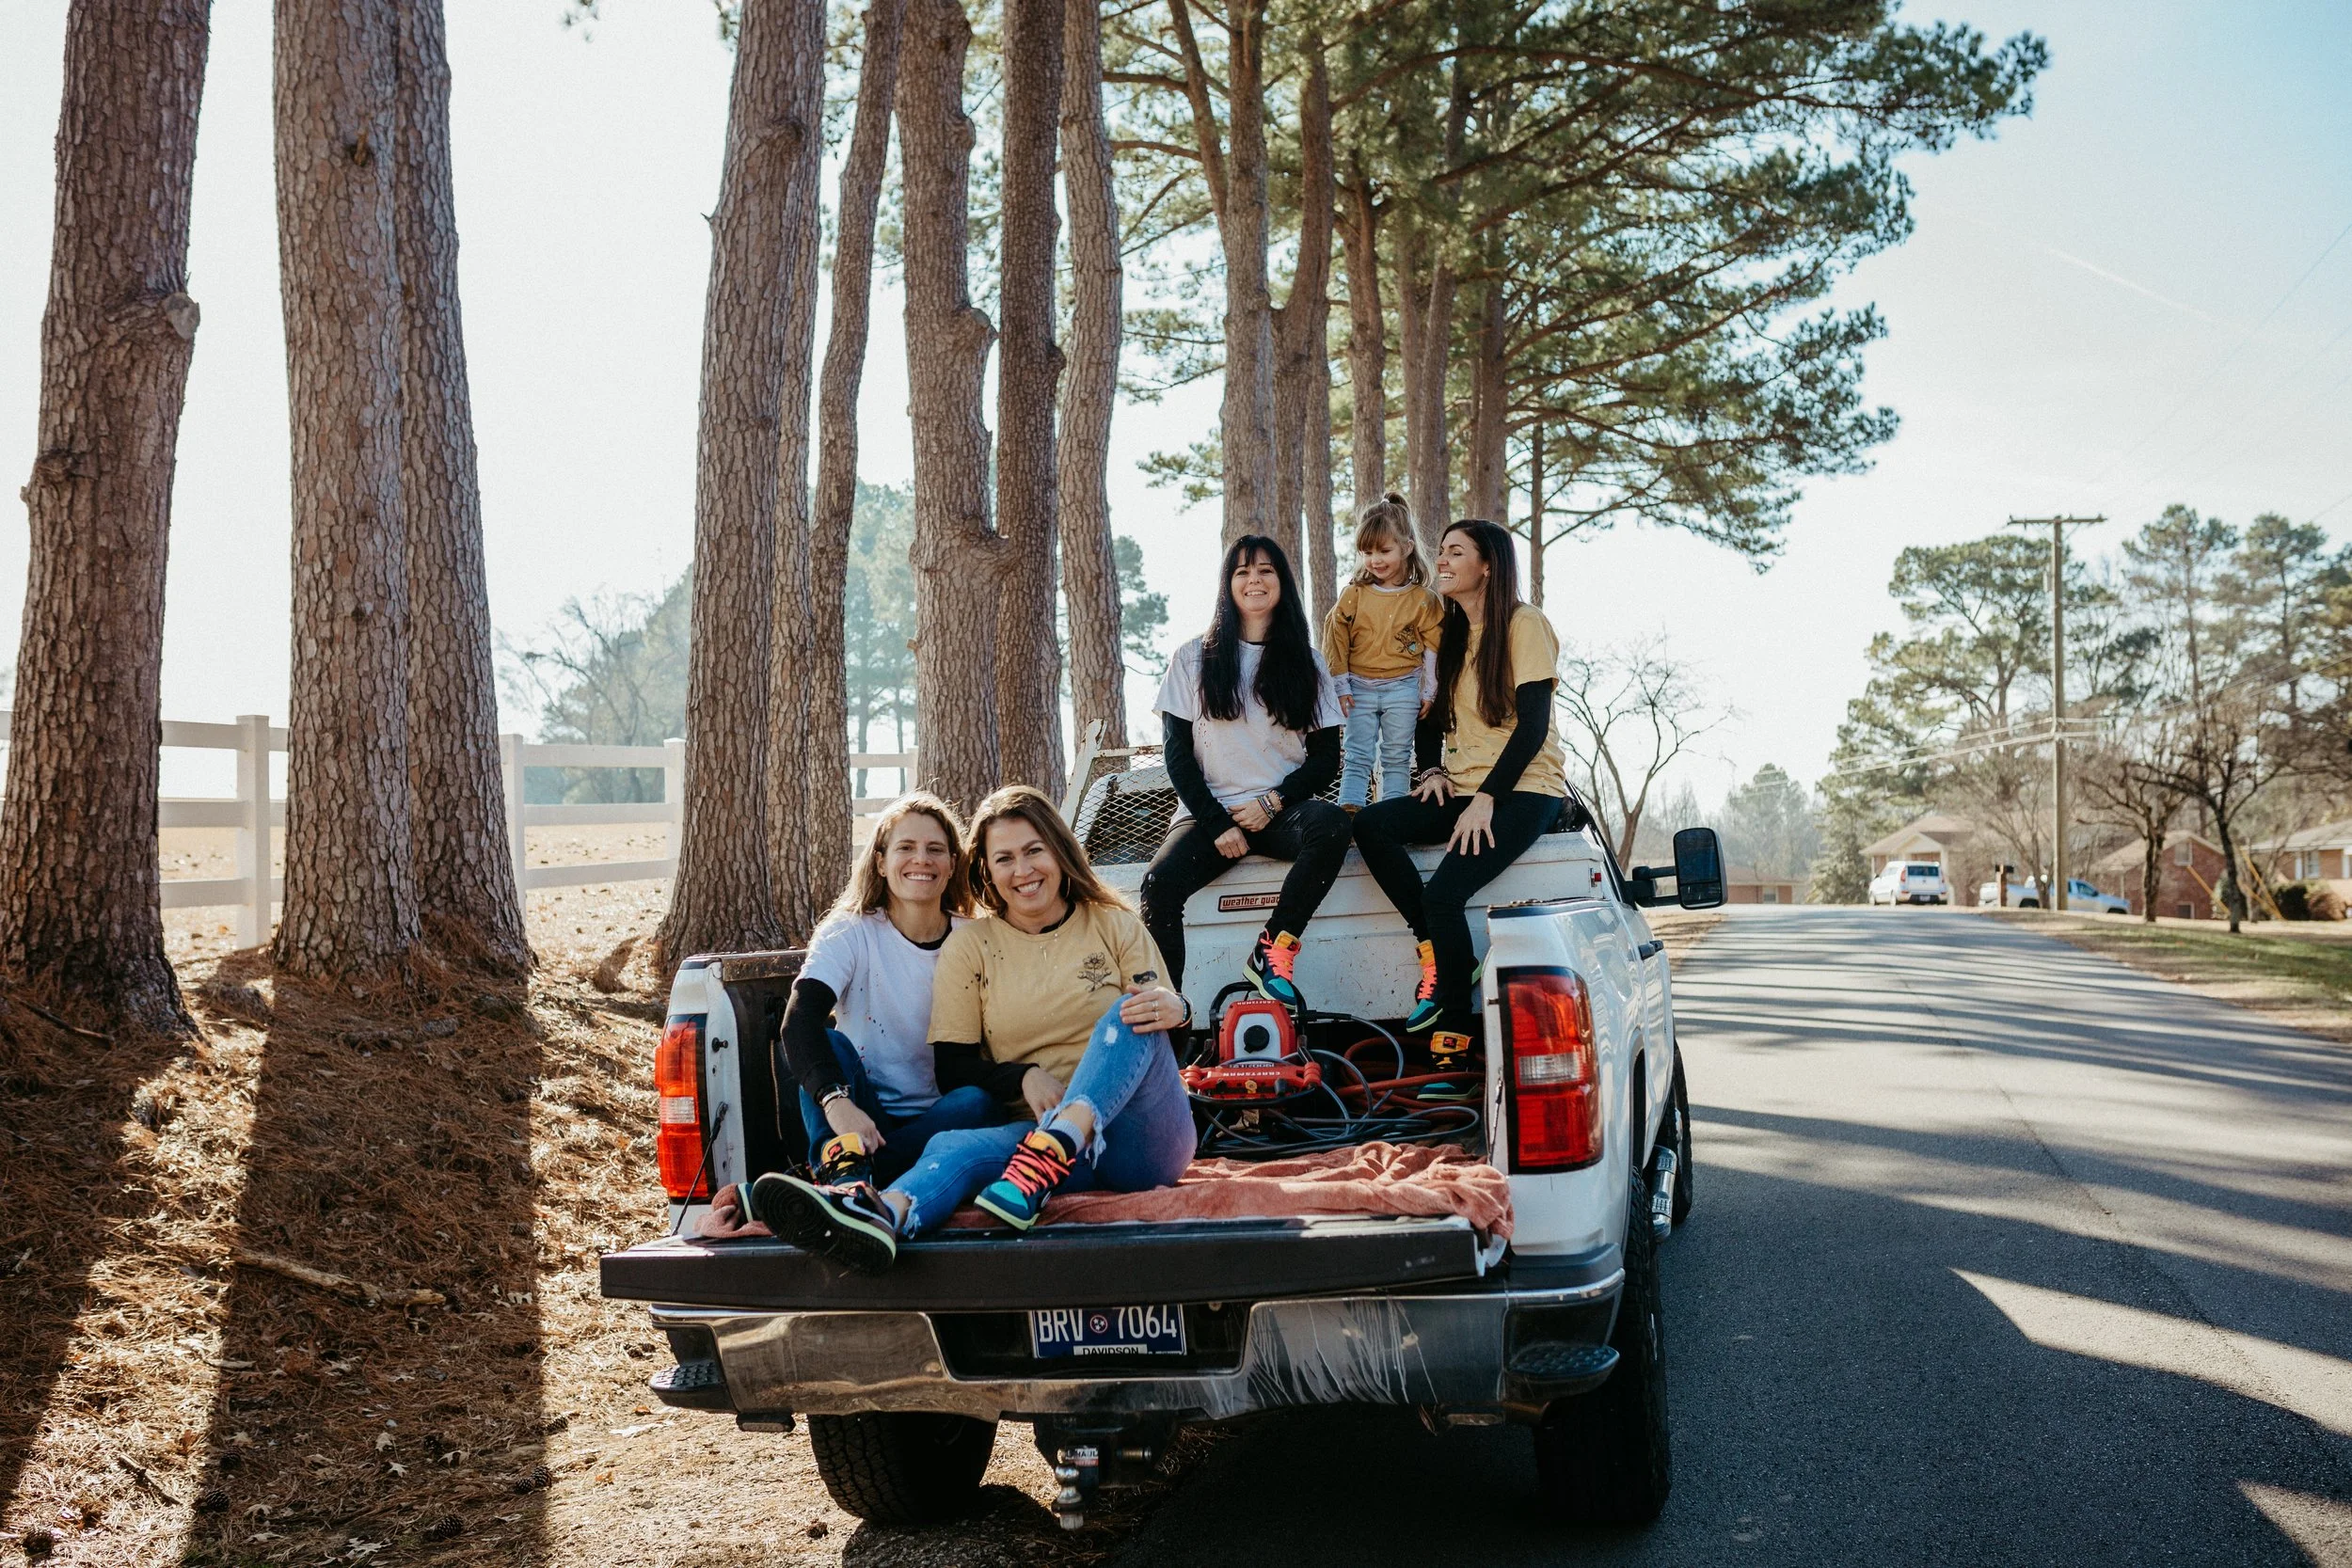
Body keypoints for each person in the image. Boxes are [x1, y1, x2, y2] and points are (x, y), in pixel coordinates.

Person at [749, 786, 1198, 1273]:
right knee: (953, 1146)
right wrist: (1022, 1076)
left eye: (1033, 851)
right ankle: (872, 1215)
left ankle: (1060, 1141)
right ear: (986, 870)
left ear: (1059, 851)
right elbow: (951, 1065)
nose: (1022, 871)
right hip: (1035, 1152)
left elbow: (1160, 1038)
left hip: (1140, 1135)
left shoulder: (1114, 924)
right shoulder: (971, 946)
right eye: (1004, 858)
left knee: (1131, 1014)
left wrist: (1181, 1009)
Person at [1352, 518, 1572, 1066]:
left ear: (1488, 565)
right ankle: (1434, 944)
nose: (1442, 562)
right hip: (1468, 789)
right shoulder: (1449, 634)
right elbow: (1430, 722)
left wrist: (1486, 800)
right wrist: (1431, 772)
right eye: (1441, 551)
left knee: (1444, 894)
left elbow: (1532, 727)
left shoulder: (1524, 624)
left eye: (1455, 552)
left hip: (1525, 791)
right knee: (1372, 825)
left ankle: (1455, 1035)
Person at [1138, 535, 1349, 1012]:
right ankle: (1168, 1017)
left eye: (1265, 570)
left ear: (1282, 583)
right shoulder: (1194, 658)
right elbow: (1178, 755)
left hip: (1279, 812)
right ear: (1227, 585)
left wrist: (1271, 803)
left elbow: (1324, 761)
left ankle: (1273, 952)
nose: (1254, 579)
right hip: (1208, 816)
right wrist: (1219, 824)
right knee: (1158, 884)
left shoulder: (1308, 663)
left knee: (1332, 825)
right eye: (1242, 571)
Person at [774, 794, 1004, 1186]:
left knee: (977, 1102)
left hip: (943, 1118)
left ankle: (856, 1178)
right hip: (860, 1106)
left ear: (952, 865)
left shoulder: (977, 939)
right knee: (832, 1044)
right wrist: (837, 1102)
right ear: (881, 862)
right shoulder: (850, 932)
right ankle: (848, 1175)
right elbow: (798, 1022)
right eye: (906, 848)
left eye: (935, 849)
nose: (921, 859)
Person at [1322, 493, 1444, 810]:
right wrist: (1341, 684)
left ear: (1406, 547)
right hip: (1359, 687)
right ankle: (1349, 809)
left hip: (1403, 686)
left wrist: (1430, 690)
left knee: (1397, 755)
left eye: (1384, 551)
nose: (1375, 560)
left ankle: (1393, 812)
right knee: (1358, 752)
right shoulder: (1354, 594)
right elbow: (1335, 635)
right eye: (1367, 552)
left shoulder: (1422, 599)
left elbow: (1434, 644)